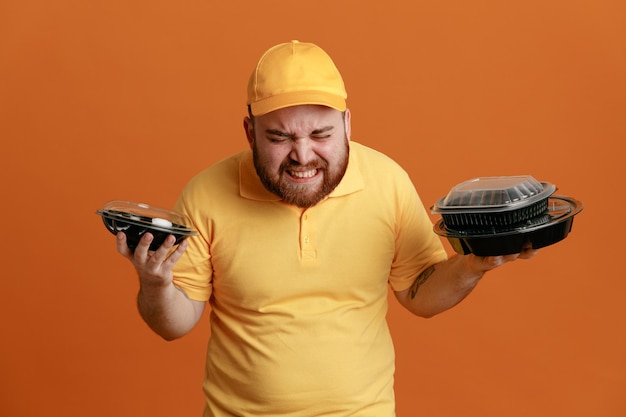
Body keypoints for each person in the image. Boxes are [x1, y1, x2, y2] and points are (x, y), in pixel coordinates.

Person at [115, 40, 537, 417]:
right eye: (279, 137)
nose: (302, 155)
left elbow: (419, 292)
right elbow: (174, 324)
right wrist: (155, 286)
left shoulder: (386, 181)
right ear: (250, 133)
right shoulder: (206, 194)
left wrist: (470, 266)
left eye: (321, 134)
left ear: (348, 125)